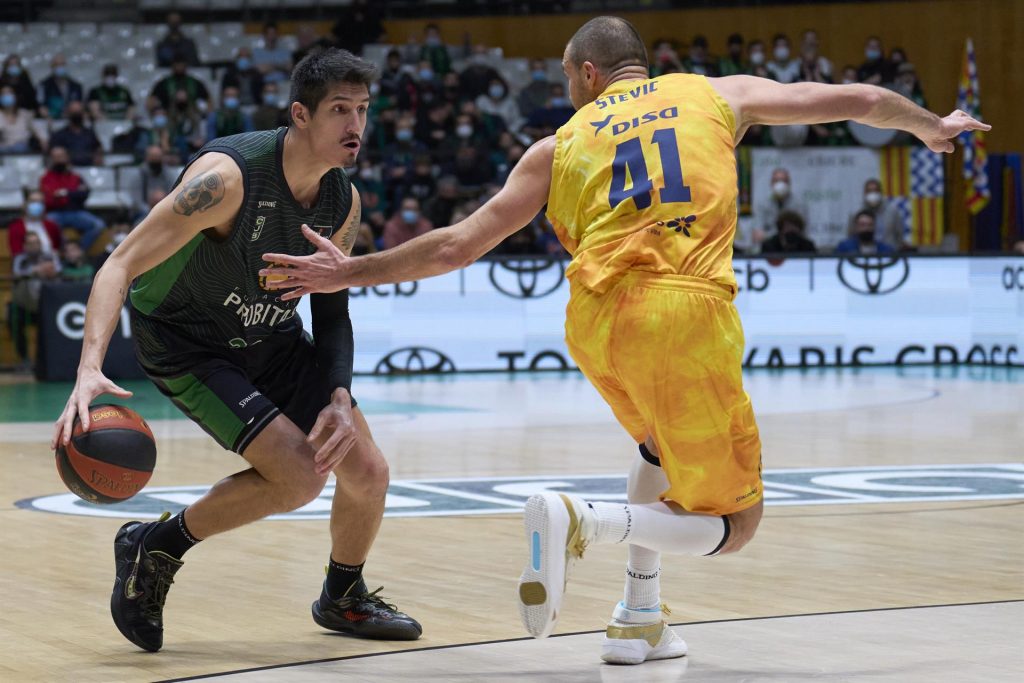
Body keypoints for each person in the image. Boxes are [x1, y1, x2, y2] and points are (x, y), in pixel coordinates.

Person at [260, 15, 989, 666]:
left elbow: (456, 245)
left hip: (593, 322)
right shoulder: (715, 93)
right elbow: (859, 101)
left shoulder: (557, 144)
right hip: (682, 312)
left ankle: (638, 615)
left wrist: (348, 271)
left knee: (654, 452)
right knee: (737, 522)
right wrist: (928, 124)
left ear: (588, 73)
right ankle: (583, 520)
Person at [51, 48, 422, 653]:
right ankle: (158, 546)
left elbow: (332, 310)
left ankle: (343, 596)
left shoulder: (341, 202)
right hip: (187, 341)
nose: (355, 125)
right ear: (301, 114)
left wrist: (338, 395)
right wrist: (89, 367)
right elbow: (118, 264)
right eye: (339, 110)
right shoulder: (225, 181)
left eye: (362, 109)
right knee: (301, 476)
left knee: (368, 471)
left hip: (269, 337)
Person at [40, 146, 105, 251]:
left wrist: (65, 193)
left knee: (98, 225)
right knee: (47, 226)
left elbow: (84, 194)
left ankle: (77, 252)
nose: (59, 159)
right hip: (55, 213)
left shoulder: (75, 176)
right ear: (51, 159)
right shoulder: (46, 178)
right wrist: (72, 194)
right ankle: (63, 253)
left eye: (61, 156)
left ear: (67, 157)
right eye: (56, 157)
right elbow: (49, 199)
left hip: (76, 212)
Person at [7, 189, 62, 256]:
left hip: (52, 264)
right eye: (33, 201)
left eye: (40, 202)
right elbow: (17, 253)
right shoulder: (15, 228)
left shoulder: (52, 226)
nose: (37, 205)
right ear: (25, 204)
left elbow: (57, 249)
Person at [48, 101, 102, 167]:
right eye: (74, 112)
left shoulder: (90, 134)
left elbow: (98, 150)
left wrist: (97, 157)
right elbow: (54, 156)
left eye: (79, 112)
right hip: (67, 172)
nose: (77, 115)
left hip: (88, 169)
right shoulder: (59, 135)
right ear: (68, 113)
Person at [38, 54, 84, 119]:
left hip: (71, 120)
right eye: (56, 65)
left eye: (62, 64)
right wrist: (48, 116)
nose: (60, 67)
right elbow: (41, 106)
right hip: (52, 120)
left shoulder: (76, 86)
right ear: (52, 67)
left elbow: (80, 105)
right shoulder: (44, 85)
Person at [0, 84, 40, 153]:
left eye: (9, 93)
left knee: (19, 147)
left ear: (15, 96)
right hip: (3, 149)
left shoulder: (25, 114)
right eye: (3, 94)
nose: (6, 96)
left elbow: (36, 132)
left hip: (22, 148)